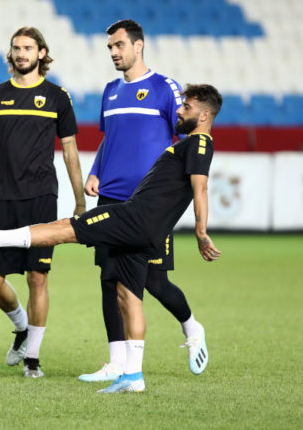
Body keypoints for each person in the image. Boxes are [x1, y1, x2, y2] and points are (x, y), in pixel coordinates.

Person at [0, 84, 222, 393]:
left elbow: (200, 188)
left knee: (66, 228)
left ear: (204, 116)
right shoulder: (190, 144)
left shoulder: (199, 143)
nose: (179, 110)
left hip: (132, 218)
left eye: (187, 107)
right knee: (128, 296)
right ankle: (133, 376)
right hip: (147, 230)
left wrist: (201, 231)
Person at [79, 19, 209, 382]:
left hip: (150, 203)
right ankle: (115, 363)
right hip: (110, 196)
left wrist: (179, 190)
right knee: (109, 278)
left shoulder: (166, 88)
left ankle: (191, 326)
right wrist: (95, 171)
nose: (113, 52)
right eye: (110, 47)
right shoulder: (110, 91)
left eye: (119, 45)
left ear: (139, 46)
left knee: (154, 281)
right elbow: (109, 138)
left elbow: (184, 138)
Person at [0, 26, 85, 378]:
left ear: (41, 53)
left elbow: (70, 151)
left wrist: (79, 201)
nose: (21, 53)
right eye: (16, 48)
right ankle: (21, 327)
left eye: (28, 48)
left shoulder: (58, 97)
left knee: (37, 277)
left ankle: (32, 360)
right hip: (2, 197)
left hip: (42, 198)